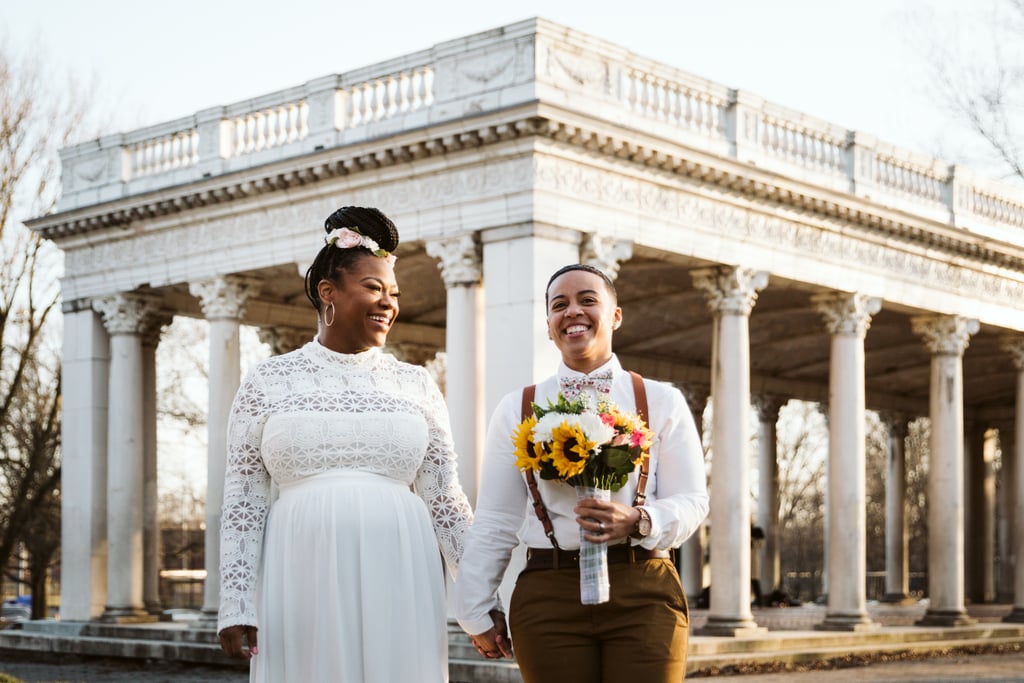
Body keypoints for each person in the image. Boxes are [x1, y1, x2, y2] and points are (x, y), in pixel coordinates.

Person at [217, 206, 474, 683]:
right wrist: (235, 601)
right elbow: (243, 501)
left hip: (402, 571)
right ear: (327, 292)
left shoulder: (416, 384)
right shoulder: (268, 381)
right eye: (374, 288)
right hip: (299, 571)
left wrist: (481, 599)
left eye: (393, 294)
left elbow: (446, 501)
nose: (388, 304)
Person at [455, 263, 709, 682]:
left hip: (643, 586)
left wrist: (640, 520)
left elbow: (693, 500)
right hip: (547, 592)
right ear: (550, 326)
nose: (572, 311)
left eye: (587, 300)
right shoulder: (517, 408)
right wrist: (474, 609)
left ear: (615, 315)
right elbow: (496, 519)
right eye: (560, 305)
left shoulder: (662, 401)